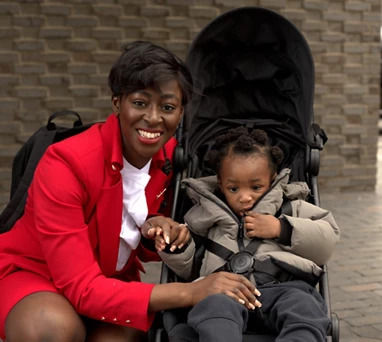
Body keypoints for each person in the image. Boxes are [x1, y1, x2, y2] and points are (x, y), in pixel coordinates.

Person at [0, 42, 261, 342]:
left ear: (181, 113)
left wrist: (163, 232)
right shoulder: (66, 163)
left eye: (167, 107)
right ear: (117, 103)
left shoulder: (172, 158)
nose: (153, 118)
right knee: (51, 328)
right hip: (37, 277)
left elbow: (135, 237)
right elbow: (81, 287)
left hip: (111, 280)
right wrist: (191, 292)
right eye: (139, 103)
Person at [157, 126, 340, 342]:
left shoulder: (292, 207)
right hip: (225, 291)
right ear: (221, 184)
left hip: (281, 288)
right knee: (212, 307)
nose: (245, 197)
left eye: (256, 187)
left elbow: (326, 241)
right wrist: (177, 248)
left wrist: (281, 229)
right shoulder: (203, 216)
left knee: (304, 305)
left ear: (271, 179)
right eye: (234, 189)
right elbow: (190, 270)